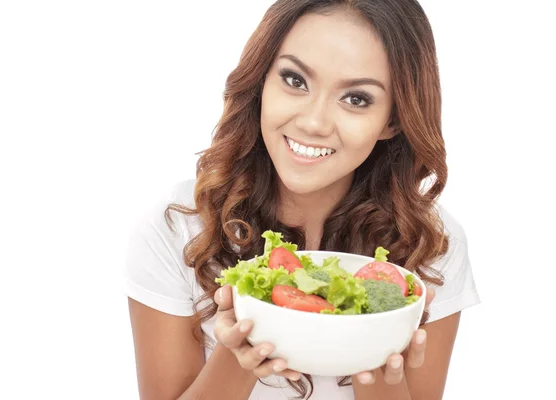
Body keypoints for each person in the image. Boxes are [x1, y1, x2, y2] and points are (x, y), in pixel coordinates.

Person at [124, 0, 480, 399]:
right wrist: (240, 349)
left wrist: (379, 360)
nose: (313, 122)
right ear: (261, 81)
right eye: (295, 80)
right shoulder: (180, 228)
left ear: (393, 119)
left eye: (357, 99)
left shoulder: (430, 245)